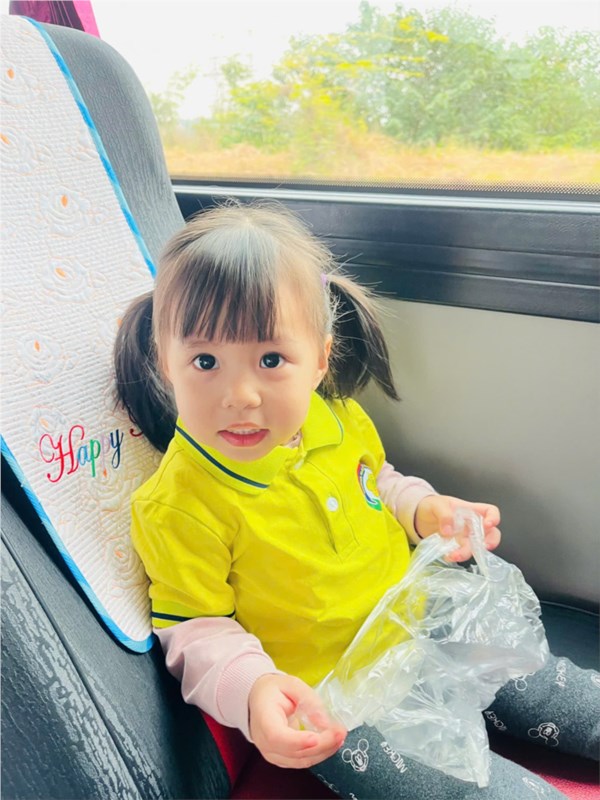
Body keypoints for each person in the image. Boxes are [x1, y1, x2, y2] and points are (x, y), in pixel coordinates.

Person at [114, 201, 598, 799]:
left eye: (271, 360)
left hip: (424, 620)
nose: (240, 395)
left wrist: (423, 511)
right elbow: (196, 629)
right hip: (338, 698)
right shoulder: (180, 503)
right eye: (205, 362)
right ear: (167, 365)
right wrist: (254, 690)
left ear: (319, 360)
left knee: (553, 692)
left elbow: (378, 482)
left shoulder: (334, 418)